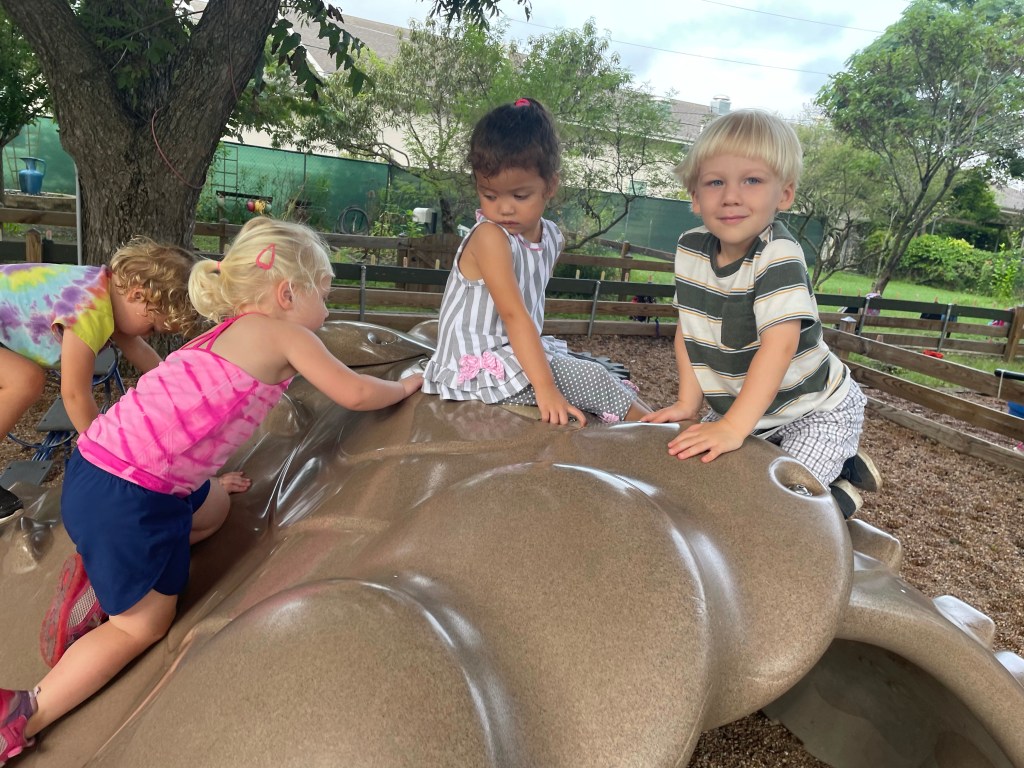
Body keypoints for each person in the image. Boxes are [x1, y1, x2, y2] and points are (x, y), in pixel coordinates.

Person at [0, 217, 423, 764]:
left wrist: (204, 478)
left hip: (98, 468)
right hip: (128, 500)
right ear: (287, 293)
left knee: (217, 505)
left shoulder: (222, 333)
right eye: (324, 294)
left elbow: (183, 417)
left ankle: (116, 568)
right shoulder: (289, 336)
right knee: (143, 626)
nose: (327, 308)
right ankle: (25, 711)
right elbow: (357, 393)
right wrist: (406, 386)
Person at [641, 109, 880, 517]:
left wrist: (734, 427)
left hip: (813, 409)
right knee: (701, 477)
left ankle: (831, 489)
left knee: (776, 507)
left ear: (783, 195)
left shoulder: (777, 255)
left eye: (752, 180)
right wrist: (687, 403)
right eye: (715, 182)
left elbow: (779, 346)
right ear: (695, 196)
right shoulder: (690, 249)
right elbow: (689, 328)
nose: (731, 196)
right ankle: (840, 471)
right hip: (752, 409)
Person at [422, 97, 649, 426]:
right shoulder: (490, 237)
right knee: (593, 380)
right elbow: (514, 314)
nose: (504, 208)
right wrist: (546, 388)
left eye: (520, 196)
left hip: (514, 349)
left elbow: (531, 299)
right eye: (489, 195)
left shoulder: (552, 237)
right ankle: (660, 434)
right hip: (481, 361)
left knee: (598, 374)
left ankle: (656, 422)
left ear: (550, 185)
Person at [0, 240, 204, 519]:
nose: (147, 335)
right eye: (153, 328)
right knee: (25, 379)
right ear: (137, 295)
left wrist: (182, 389)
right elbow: (75, 394)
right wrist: (107, 457)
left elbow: (141, 353)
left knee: (25, 377)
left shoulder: (106, 292)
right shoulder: (90, 310)